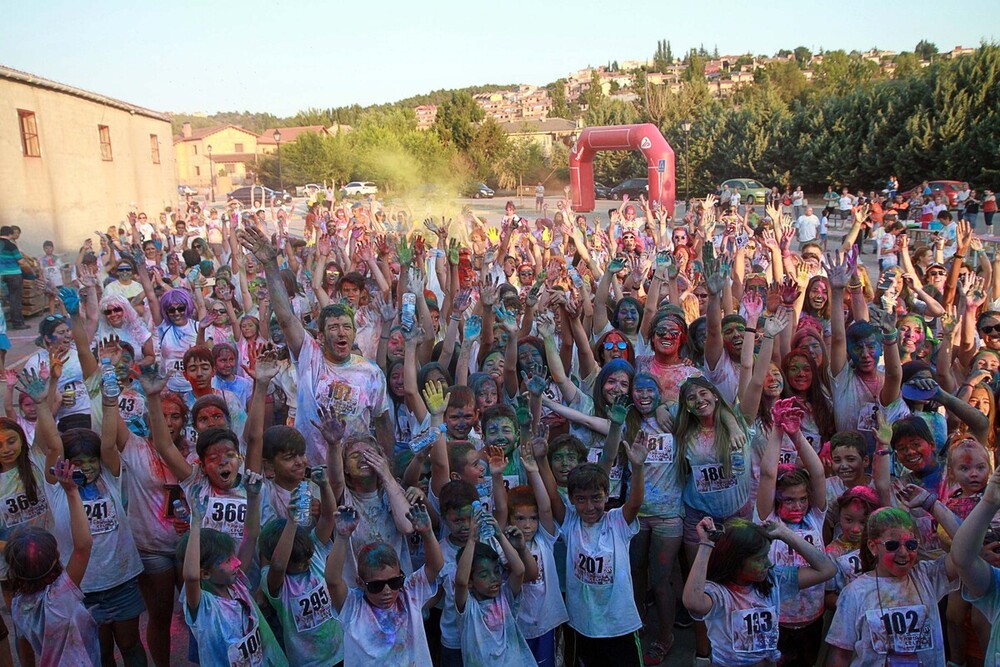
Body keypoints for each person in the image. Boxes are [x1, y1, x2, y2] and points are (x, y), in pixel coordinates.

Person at [0, 226, 33, 330]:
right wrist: (30, 272)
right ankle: (18, 323)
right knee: (15, 299)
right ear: (10, 234)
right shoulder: (11, 245)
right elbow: (21, 262)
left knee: (5, 299)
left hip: (1, 275)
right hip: (13, 274)